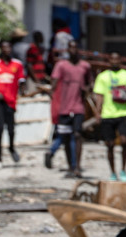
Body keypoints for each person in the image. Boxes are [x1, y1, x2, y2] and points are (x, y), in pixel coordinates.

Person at [44, 40, 93, 178]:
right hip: (63, 108)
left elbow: (91, 83)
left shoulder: (85, 66)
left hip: (78, 107)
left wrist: (87, 90)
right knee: (65, 138)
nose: (73, 51)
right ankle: (70, 167)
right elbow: (53, 84)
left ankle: (77, 166)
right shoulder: (61, 66)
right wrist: (51, 93)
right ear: (67, 50)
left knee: (77, 135)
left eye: (75, 48)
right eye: (71, 48)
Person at [92, 53, 126, 181]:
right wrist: (97, 112)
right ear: (109, 60)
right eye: (112, 59)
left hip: (124, 113)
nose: (115, 61)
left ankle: (123, 170)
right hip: (108, 114)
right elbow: (99, 95)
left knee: (124, 142)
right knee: (110, 144)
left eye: (117, 59)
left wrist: (123, 94)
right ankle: (113, 172)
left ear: (121, 60)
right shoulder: (102, 76)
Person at [0, 41, 25, 169]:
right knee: (0, 128)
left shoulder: (17, 64)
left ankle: (12, 148)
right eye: (4, 47)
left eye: (9, 47)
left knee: (11, 129)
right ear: (1, 49)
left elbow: (21, 81)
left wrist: (21, 91)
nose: (7, 49)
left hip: (11, 101)